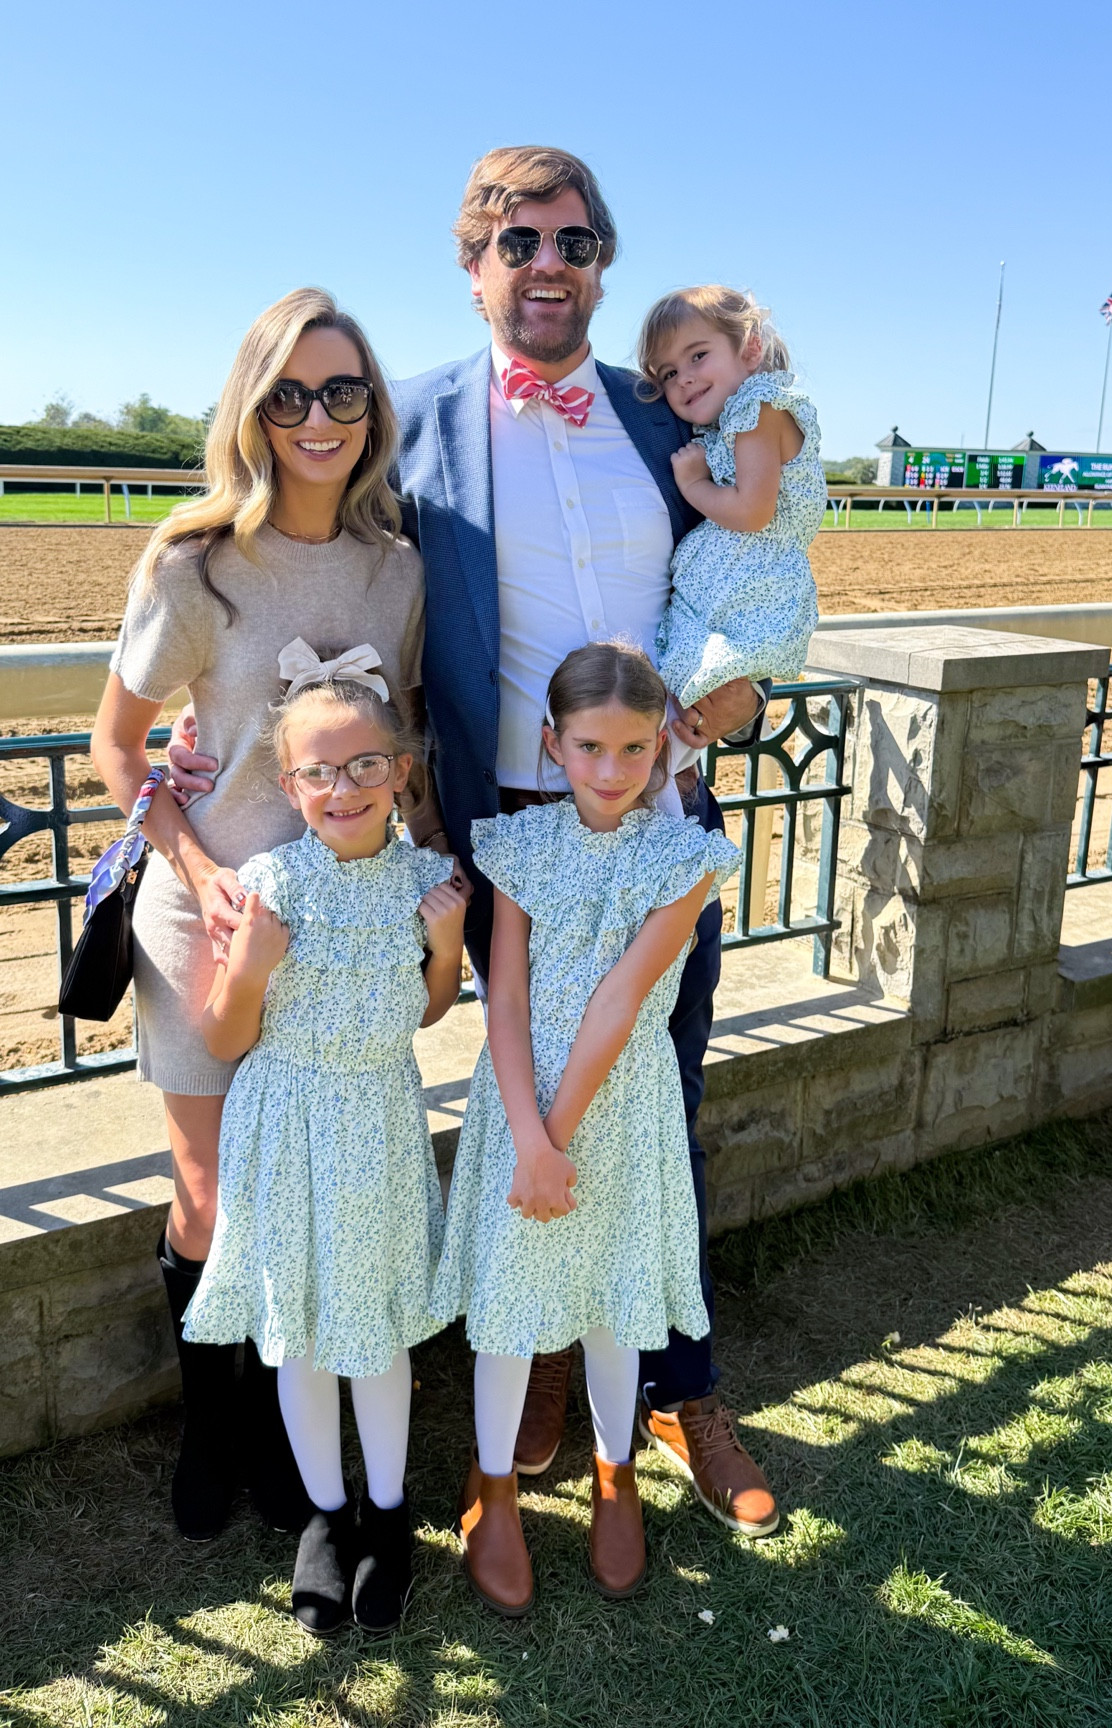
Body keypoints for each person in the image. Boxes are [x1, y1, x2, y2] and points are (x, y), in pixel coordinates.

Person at [172, 146, 782, 1537]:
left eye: (573, 241)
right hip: (509, 830)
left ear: (601, 261)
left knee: (656, 1109)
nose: (548, 265)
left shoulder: (660, 411)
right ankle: (541, 1376)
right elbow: (307, 523)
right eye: (519, 244)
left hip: (660, 818)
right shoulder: (422, 424)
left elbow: (753, 557)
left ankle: (682, 1390)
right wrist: (197, 703)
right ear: (475, 265)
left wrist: (745, 676)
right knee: (521, 1108)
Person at [91, 288, 446, 1543]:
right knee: (213, 1191)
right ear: (252, 410)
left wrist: (433, 878)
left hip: (344, 935)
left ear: (372, 410)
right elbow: (118, 747)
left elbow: (405, 734)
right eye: (287, 394)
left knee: (323, 1189)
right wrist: (193, 870)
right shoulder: (194, 567)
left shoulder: (399, 567)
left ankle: (317, 1454)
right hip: (215, 921)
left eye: (341, 391)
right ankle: (219, 1426)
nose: (316, 417)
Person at [431, 643, 740, 1614]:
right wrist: (528, 1138)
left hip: (622, 1105)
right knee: (511, 1307)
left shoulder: (685, 857)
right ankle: (495, 1488)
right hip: (521, 1108)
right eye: (592, 747)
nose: (612, 772)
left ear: (663, 747)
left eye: (635, 750)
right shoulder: (518, 846)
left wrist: (555, 1141)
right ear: (552, 744)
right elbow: (507, 996)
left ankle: (616, 1471)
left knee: (612, 1300)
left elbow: (620, 1002)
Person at [182, 659, 466, 1633]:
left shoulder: (428, 882)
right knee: (301, 1327)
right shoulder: (266, 885)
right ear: (289, 783)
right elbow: (224, 1039)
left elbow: (427, 1014)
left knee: (374, 1328)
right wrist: (252, 966)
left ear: (402, 770)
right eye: (318, 773)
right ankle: (326, 1515)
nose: (341, 789)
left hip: (378, 1118)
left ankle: (389, 1514)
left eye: (364, 767)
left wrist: (453, 941)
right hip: (284, 1124)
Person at [636, 285, 825, 709]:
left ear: (750, 349)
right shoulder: (730, 422)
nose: (683, 376)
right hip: (742, 578)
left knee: (697, 691)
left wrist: (692, 484)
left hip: (753, 583)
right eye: (667, 373)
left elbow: (752, 512)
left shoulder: (759, 410)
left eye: (698, 355)